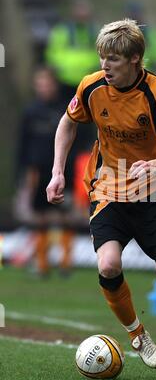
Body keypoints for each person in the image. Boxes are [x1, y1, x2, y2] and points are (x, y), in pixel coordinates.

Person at [46, 18, 156, 379]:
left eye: (112, 59)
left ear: (135, 59)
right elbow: (68, 121)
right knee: (108, 265)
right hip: (108, 188)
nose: (104, 66)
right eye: (102, 58)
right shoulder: (91, 86)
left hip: (155, 193)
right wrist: (58, 171)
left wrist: (154, 165)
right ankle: (138, 337)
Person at [15, 66, 75, 277]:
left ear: (54, 84)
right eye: (40, 84)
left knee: (65, 215)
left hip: (62, 170)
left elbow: (75, 140)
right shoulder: (31, 112)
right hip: (37, 172)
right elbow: (22, 144)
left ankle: (66, 262)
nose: (44, 88)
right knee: (39, 216)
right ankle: (42, 263)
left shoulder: (65, 110)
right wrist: (21, 173)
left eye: (47, 83)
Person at [45, 0, 100, 99]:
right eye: (79, 11)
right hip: (64, 79)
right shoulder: (61, 30)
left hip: (88, 80)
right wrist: (55, 67)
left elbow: (101, 52)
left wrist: (96, 68)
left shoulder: (95, 32)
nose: (82, 15)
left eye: (84, 11)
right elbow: (52, 52)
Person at [125, 1, 156, 72]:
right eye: (130, 14)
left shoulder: (152, 33)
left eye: (135, 13)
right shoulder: (119, 33)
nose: (133, 16)